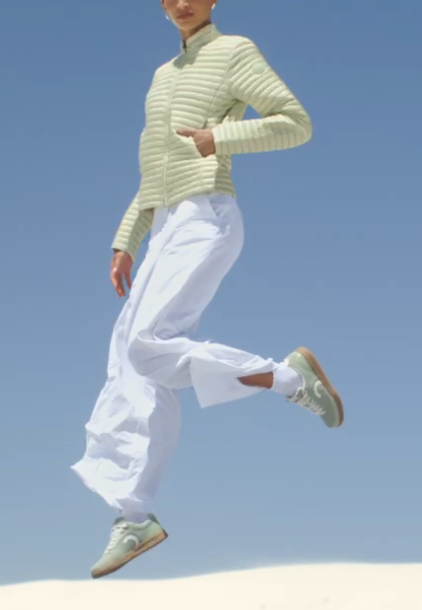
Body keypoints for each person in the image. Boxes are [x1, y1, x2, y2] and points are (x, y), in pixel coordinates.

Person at [68, 0, 343, 579]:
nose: (180, 3)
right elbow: (154, 171)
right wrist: (127, 239)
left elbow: (295, 122)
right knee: (130, 364)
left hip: (207, 215)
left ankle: (290, 379)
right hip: (167, 223)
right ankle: (133, 515)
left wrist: (219, 137)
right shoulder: (162, 76)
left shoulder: (233, 51)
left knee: (146, 345)